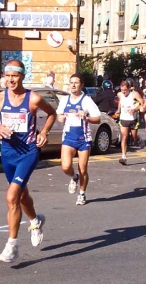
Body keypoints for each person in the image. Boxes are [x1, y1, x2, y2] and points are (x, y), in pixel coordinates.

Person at [0, 59, 57, 263]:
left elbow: (52, 113)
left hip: (28, 152)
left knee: (12, 196)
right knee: (22, 196)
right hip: (8, 153)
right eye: (8, 76)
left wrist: (45, 132)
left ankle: (11, 246)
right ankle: (35, 221)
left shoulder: (33, 99)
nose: (11, 80)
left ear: (22, 76)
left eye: (15, 76)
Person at [56, 73, 101, 205]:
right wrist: (61, 118)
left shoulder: (86, 100)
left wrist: (86, 118)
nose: (73, 85)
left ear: (81, 85)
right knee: (65, 166)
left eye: (76, 83)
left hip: (83, 139)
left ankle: (82, 194)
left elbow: (97, 119)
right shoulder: (65, 100)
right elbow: (59, 115)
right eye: (71, 83)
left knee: (83, 168)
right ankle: (73, 177)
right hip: (68, 137)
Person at [115, 80, 145, 165]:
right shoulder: (120, 94)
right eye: (122, 90)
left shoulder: (134, 94)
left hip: (133, 119)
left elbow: (142, 104)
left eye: (125, 90)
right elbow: (120, 102)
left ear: (129, 88)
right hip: (124, 118)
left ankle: (139, 139)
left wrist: (135, 109)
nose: (123, 92)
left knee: (133, 136)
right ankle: (124, 156)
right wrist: (118, 110)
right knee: (124, 137)